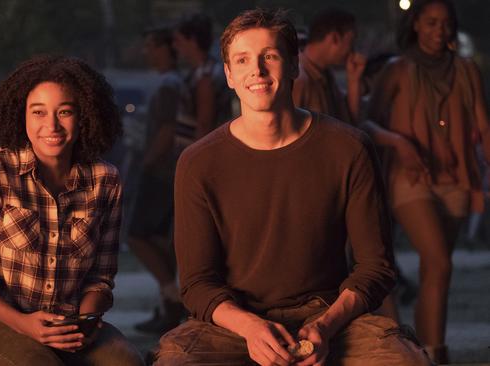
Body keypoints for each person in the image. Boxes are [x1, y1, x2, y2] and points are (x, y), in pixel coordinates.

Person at [154, 8, 431, 366]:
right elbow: (196, 284)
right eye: (242, 60)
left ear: (294, 65)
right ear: (229, 75)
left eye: (269, 56)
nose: (257, 70)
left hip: (328, 312)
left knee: (405, 361)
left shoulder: (348, 147)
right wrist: (251, 328)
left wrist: (326, 327)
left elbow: (376, 266)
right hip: (234, 320)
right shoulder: (198, 162)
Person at [0, 55, 144, 366]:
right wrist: (24, 323)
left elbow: (101, 276)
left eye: (64, 112)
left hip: (70, 322)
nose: (51, 125)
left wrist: (87, 321)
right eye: (38, 112)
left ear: (84, 116)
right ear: (21, 115)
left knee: (128, 362)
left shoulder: (105, 180)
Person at [362, 0, 490, 363]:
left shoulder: (466, 70)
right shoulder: (397, 70)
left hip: (457, 177)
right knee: (439, 262)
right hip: (411, 177)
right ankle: (438, 354)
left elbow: (483, 124)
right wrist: (399, 142)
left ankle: (423, 351)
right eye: (431, 23)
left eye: (446, 24)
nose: (440, 31)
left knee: (437, 270)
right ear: (415, 24)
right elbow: (368, 123)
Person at [128, 26, 186, 334]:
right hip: (166, 170)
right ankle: (168, 304)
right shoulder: (171, 83)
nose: (147, 51)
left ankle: (172, 296)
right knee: (161, 240)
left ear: (168, 48)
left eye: (153, 45)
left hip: (162, 172)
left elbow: (166, 131)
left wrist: (147, 164)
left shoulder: (169, 85)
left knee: (137, 234)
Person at [173, 12, 234, 151]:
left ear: (192, 40)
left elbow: (204, 125)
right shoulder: (199, 72)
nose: (175, 46)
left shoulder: (205, 76)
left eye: (178, 40)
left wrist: (195, 159)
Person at [293, 8, 366, 124]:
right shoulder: (299, 78)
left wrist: (353, 80)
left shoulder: (325, 74)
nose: (352, 51)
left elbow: (350, 123)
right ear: (335, 38)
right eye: (350, 42)